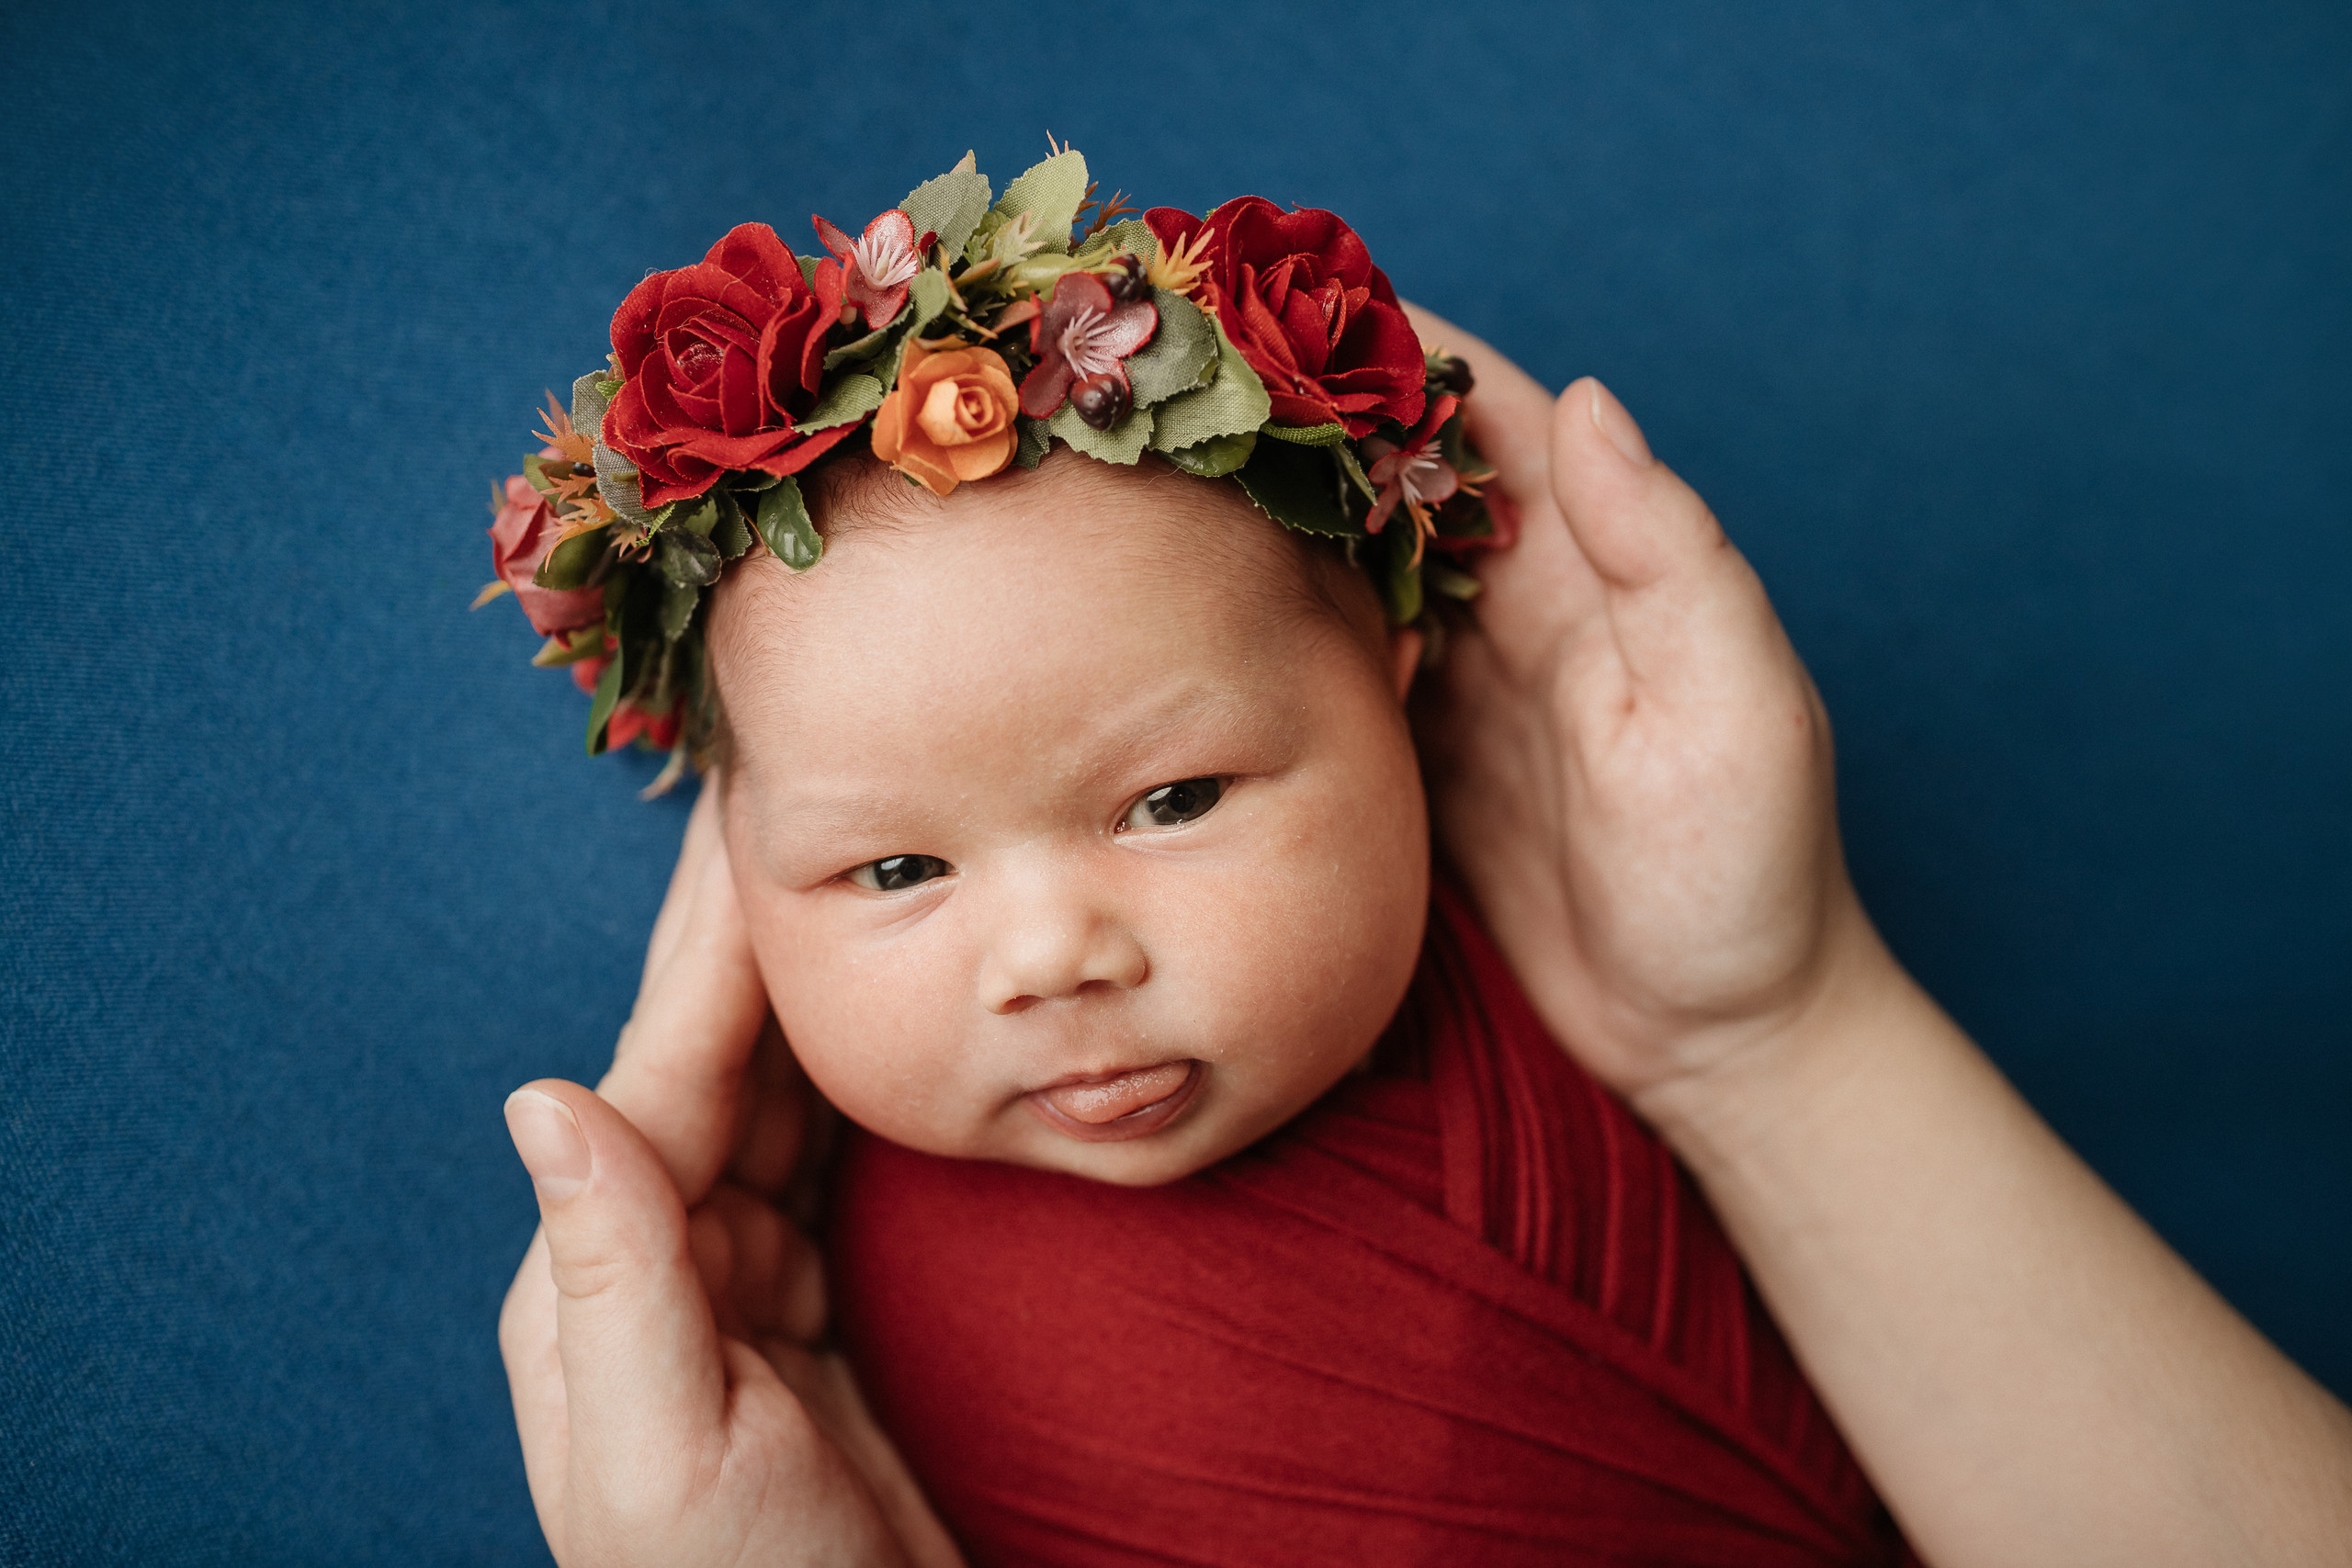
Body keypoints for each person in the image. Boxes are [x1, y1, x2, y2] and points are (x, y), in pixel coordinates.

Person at [488, 152, 2352, 1566]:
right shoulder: (788, 1309)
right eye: (892, 871)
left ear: (1395, 682)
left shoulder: (1571, 1047)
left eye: (1174, 798)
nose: (1050, 949)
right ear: (731, 874)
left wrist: (1770, 1024)